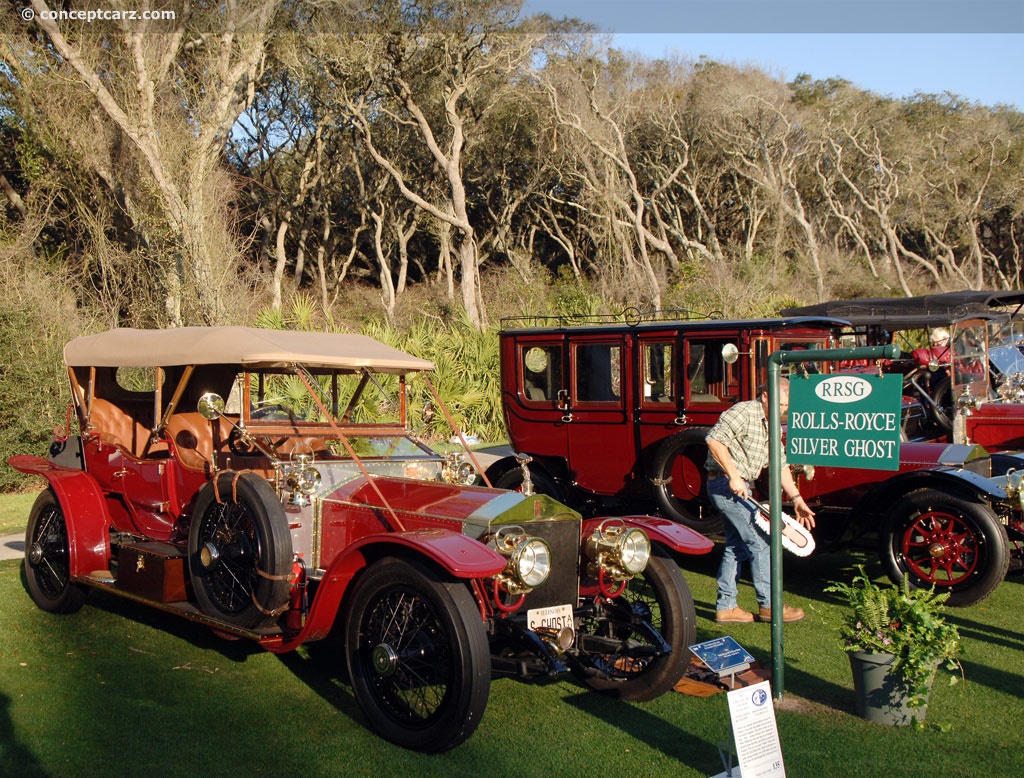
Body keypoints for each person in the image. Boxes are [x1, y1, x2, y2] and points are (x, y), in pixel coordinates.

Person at [705, 378, 816, 624]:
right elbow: (713, 439)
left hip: (737, 485)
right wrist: (733, 476)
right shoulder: (744, 412)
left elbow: (780, 463)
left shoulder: (771, 424)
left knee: (736, 546)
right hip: (726, 485)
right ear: (765, 396)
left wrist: (797, 499)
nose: (783, 410)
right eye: (780, 404)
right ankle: (769, 606)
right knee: (760, 540)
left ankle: (726, 607)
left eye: (786, 406)